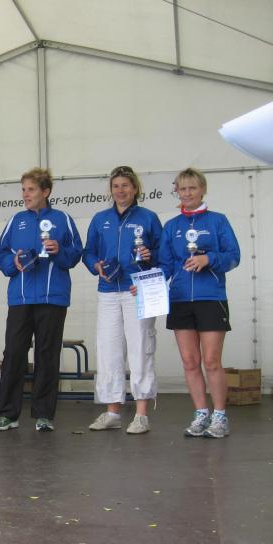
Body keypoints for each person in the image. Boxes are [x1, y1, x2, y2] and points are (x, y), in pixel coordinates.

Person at [0, 168, 82, 433]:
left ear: (46, 191)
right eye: (23, 190)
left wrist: (59, 250)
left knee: (47, 354)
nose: (25, 195)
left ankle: (44, 415)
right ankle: (8, 414)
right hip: (20, 298)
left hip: (53, 298)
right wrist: (14, 262)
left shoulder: (63, 219)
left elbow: (76, 254)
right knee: (13, 353)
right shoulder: (15, 220)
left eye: (30, 189)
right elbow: (0, 254)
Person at [159, 168, 240, 439]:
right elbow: (165, 265)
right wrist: (147, 285)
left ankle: (220, 416)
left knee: (212, 361)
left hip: (211, 298)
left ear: (202, 189)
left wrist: (209, 259)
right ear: (177, 192)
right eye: (182, 189)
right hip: (180, 299)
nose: (187, 193)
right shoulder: (171, 226)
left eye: (192, 188)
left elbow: (234, 256)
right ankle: (201, 413)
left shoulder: (218, 221)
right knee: (190, 361)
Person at [83, 166, 163, 434]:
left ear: (135, 188)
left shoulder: (148, 218)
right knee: (108, 350)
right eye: (116, 186)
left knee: (141, 349)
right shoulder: (100, 219)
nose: (120, 191)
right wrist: (96, 265)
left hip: (137, 290)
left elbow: (163, 255)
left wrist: (149, 256)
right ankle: (112, 412)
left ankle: (141, 415)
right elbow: (88, 252)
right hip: (107, 291)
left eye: (125, 186)